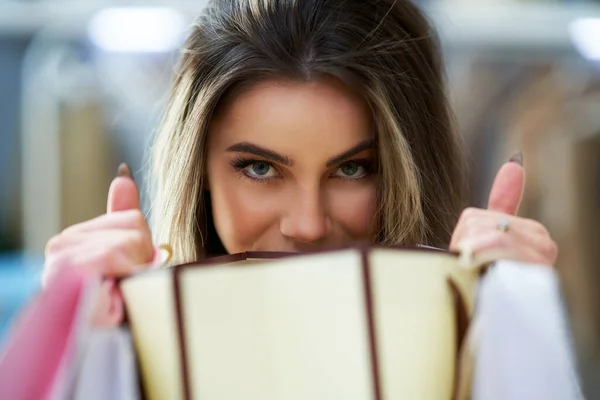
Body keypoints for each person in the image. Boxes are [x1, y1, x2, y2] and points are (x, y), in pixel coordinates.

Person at [43, 0, 557, 322]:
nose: (308, 227)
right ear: (198, 171)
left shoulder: (474, 335)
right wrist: (67, 353)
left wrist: (516, 351)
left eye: (352, 169)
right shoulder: (124, 334)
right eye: (260, 169)